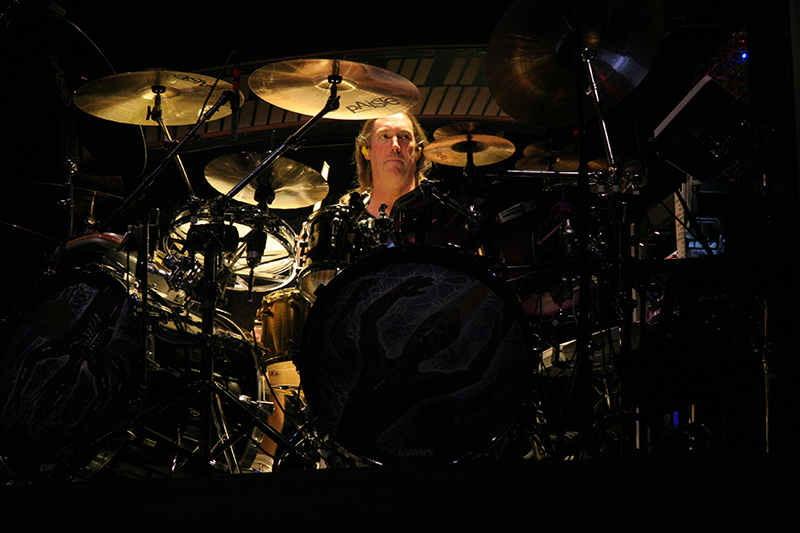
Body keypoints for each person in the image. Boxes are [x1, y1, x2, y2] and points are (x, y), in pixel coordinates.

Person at [344, 111, 432, 217]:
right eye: (385, 136)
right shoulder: (348, 216)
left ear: (418, 151)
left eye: (404, 136)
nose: (395, 145)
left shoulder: (438, 211)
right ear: (366, 149)